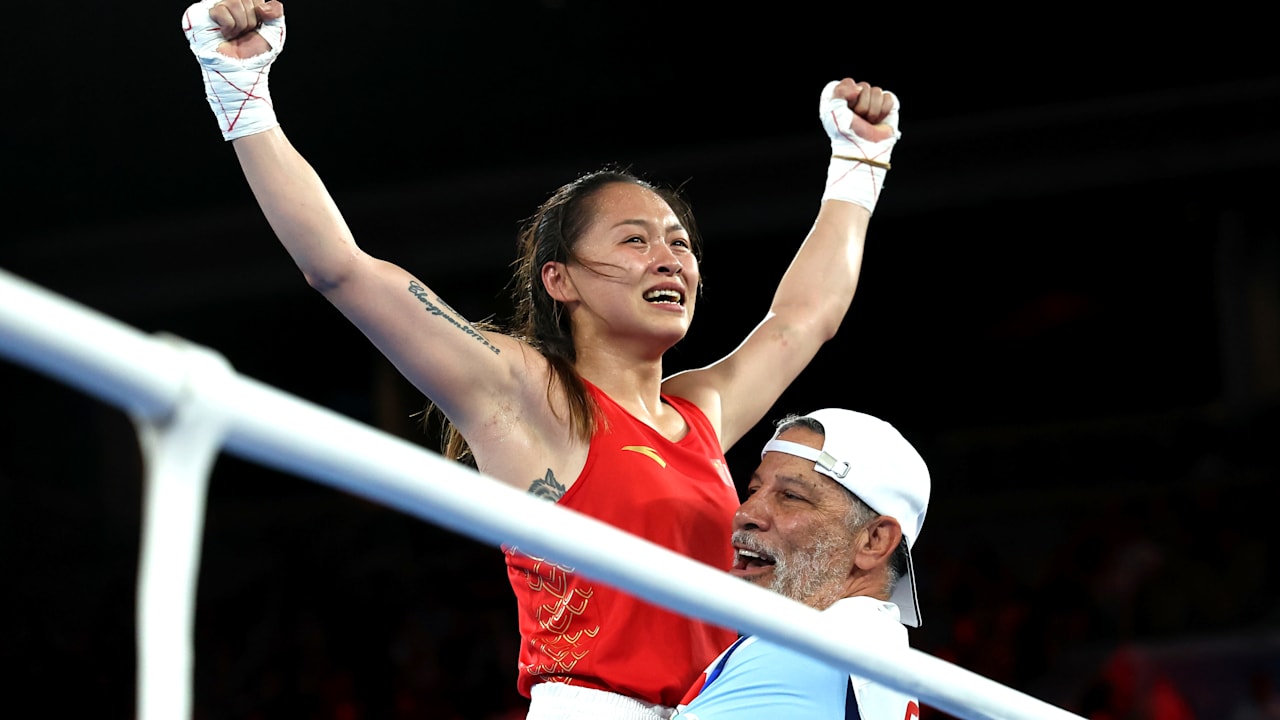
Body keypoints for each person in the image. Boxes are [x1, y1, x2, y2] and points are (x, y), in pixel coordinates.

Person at [180, 1, 903, 717]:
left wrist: (859, 163)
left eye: (680, 242)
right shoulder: (527, 395)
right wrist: (239, 90)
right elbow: (342, 269)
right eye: (634, 240)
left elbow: (804, 319)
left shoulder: (700, 412)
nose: (670, 259)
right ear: (561, 280)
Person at [673, 408, 930, 720]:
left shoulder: (805, 654)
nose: (744, 513)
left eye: (791, 496)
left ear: (874, 541)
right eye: (754, 490)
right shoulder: (868, 646)